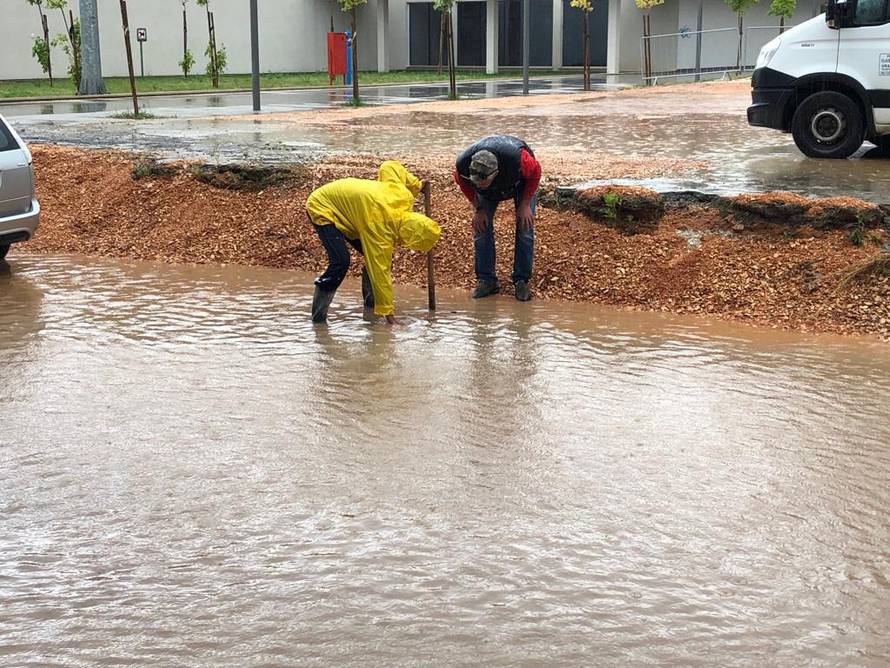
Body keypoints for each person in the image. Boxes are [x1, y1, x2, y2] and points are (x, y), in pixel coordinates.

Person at [305, 161, 441, 324]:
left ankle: (371, 307)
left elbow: (389, 167)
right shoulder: (379, 232)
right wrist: (389, 315)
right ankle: (318, 320)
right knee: (341, 262)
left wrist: (416, 185)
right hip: (322, 206)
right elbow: (380, 272)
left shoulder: (403, 196)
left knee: (377, 259)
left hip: (355, 213)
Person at [454, 135, 541, 301]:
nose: (478, 185)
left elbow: (536, 172)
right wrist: (478, 208)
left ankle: (521, 280)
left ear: (495, 173)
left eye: (482, 182)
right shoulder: (463, 165)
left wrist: (525, 204)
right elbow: (464, 183)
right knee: (481, 227)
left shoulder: (521, 161)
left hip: (520, 184)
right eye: (475, 182)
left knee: (525, 227)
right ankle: (486, 280)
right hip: (489, 193)